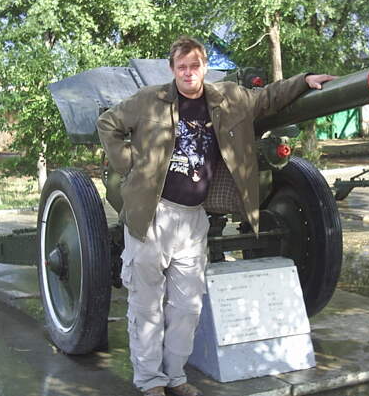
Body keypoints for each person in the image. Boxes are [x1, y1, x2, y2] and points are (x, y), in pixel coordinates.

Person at [97, 36, 335, 396]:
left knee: (187, 307)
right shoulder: (150, 100)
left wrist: (304, 81)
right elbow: (108, 123)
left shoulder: (228, 98)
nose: (188, 73)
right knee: (147, 306)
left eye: (194, 66)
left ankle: (175, 377)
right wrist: (128, 163)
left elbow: (268, 98)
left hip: (193, 219)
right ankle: (150, 381)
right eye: (181, 67)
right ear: (172, 69)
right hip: (153, 216)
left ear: (205, 67)